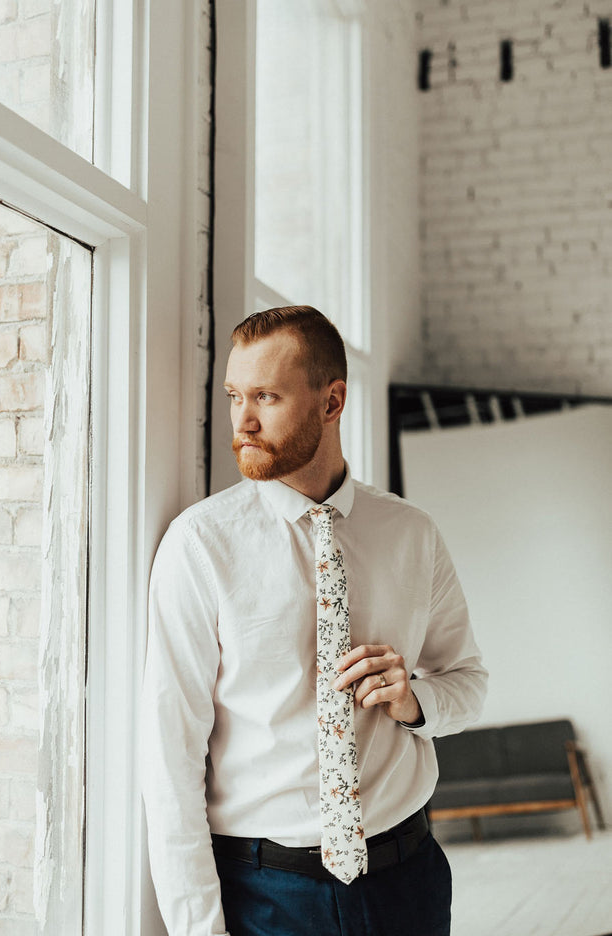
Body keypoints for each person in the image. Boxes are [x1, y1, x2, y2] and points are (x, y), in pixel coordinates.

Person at [140, 305, 487, 936]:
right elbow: (170, 757)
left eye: (266, 397)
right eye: (233, 396)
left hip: (408, 881)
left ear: (331, 402)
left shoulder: (411, 534)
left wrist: (415, 701)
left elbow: (468, 682)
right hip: (265, 896)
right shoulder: (200, 545)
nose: (241, 421)